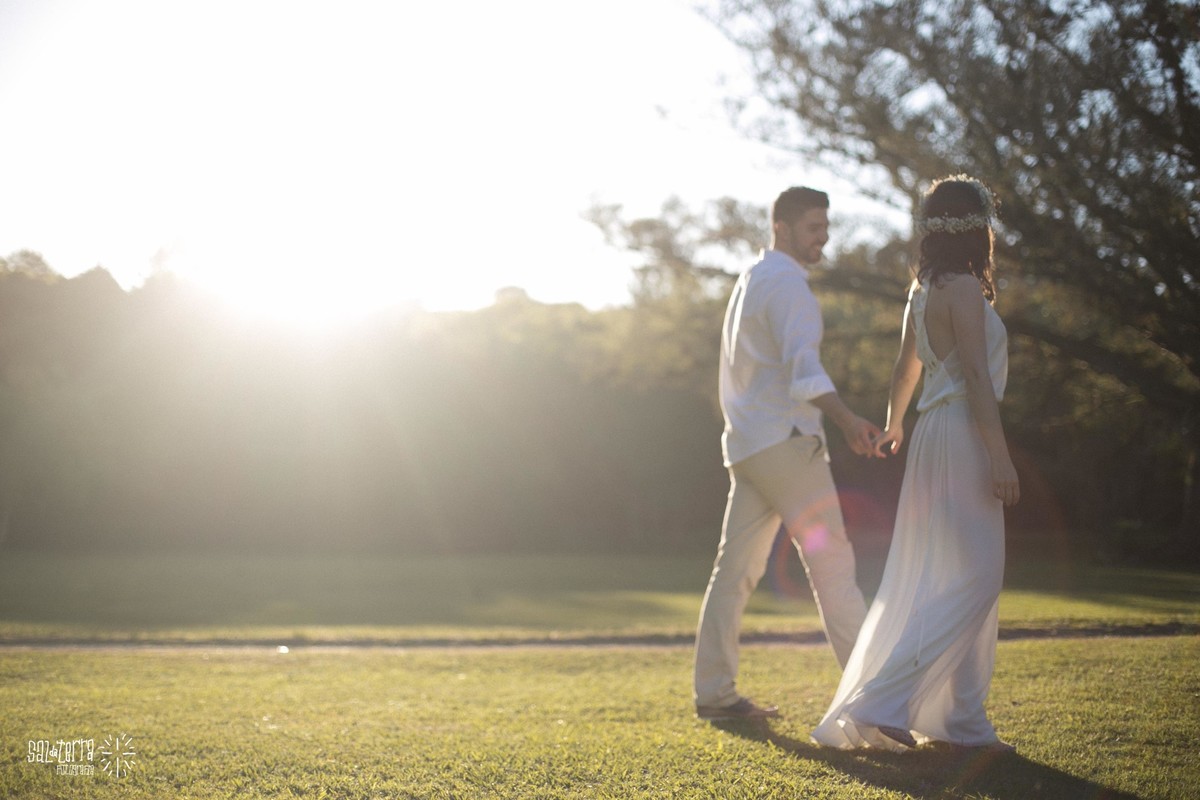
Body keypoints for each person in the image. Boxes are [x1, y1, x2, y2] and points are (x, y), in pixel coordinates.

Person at [811, 175, 1019, 752]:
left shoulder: (923, 289)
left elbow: (905, 370)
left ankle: (963, 722)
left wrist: (897, 421)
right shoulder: (964, 293)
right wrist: (1000, 458)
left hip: (931, 436)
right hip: (961, 437)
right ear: (976, 229)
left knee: (954, 576)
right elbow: (975, 378)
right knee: (979, 577)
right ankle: (882, 699)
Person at [693, 186, 880, 721]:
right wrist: (847, 420)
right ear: (782, 227)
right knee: (835, 566)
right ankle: (875, 701)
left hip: (749, 448)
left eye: (825, 227)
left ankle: (715, 695)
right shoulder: (790, 287)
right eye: (813, 228)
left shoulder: (751, 279)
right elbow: (805, 373)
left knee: (733, 573)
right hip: (787, 446)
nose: (823, 238)